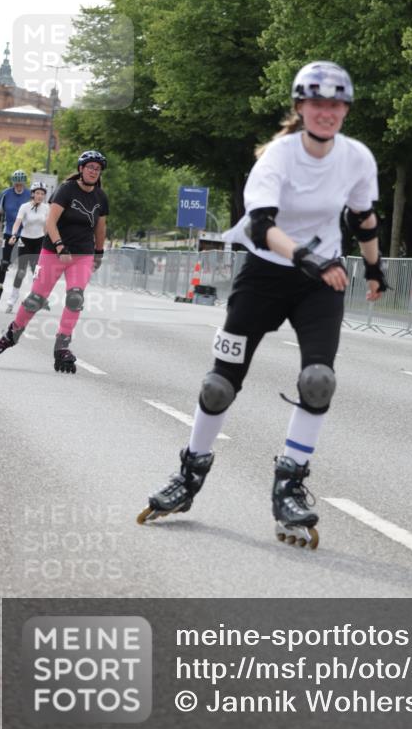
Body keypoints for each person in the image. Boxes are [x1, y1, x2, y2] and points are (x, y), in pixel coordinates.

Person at [138, 61, 388, 547]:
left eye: (336, 103)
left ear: (346, 110)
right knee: (217, 386)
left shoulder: (356, 157)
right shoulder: (278, 156)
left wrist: (376, 269)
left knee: (319, 381)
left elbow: (365, 218)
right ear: (300, 107)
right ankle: (190, 471)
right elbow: (259, 226)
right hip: (264, 276)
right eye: (317, 102)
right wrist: (304, 255)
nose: (326, 112)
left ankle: (289, 485)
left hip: (321, 282)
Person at [0, 150, 109, 373]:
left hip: (82, 254)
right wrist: (60, 245)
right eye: (90, 167)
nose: (93, 171)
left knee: (75, 297)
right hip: (54, 251)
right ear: (81, 169)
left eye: (97, 169)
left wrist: (99, 252)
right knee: (35, 299)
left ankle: (62, 346)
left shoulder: (100, 197)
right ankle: (12, 335)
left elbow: (100, 227)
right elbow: (50, 223)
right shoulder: (66, 190)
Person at [0, 170, 31, 310]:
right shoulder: (5, 194)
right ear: (13, 183)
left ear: (24, 183)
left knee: (23, 267)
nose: (18, 186)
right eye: (16, 184)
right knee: (4, 263)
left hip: (26, 234)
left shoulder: (30, 194)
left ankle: (16, 295)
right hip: (9, 232)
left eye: (21, 184)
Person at [5, 181, 50, 313]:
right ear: (32, 194)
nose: (40, 196)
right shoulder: (24, 207)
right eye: (37, 193)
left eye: (42, 194)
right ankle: (12, 300)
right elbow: (17, 222)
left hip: (39, 241)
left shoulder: (46, 208)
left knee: (36, 271)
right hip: (25, 240)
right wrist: (13, 234)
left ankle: (34, 297)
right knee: (21, 271)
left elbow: (47, 226)